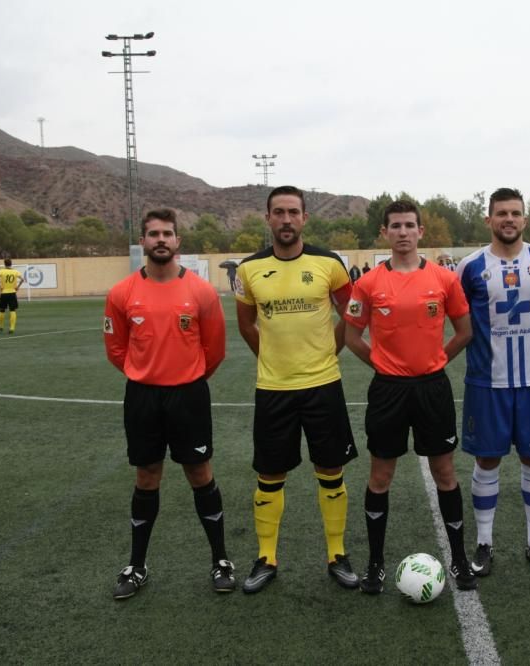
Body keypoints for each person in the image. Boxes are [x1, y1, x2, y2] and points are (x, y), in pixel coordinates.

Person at [344, 199, 477, 594]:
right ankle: (374, 564)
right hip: (388, 391)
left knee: (445, 473)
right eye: (395, 226)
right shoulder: (367, 284)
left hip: (433, 388)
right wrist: (384, 367)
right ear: (383, 233)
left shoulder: (444, 279)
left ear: (421, 231)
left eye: (409, 226)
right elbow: (351, 336)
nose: (403, 232)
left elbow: (465, 331)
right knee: (380, 476)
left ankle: (458, 559)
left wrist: (437, 361)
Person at [234, 185, 359, 594]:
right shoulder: (249, 270)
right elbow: (246, 323)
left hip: (323, 384)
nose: (286, 220)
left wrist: (331, 350)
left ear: (305, 218)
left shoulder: (330, 263)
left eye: (293, 212)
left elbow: (352, 314)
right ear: (267, 218)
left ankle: (336, 554)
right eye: (278, 212)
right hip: (273, 388)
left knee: (331, 470)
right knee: (270, 473)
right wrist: (269, 357)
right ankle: (266, 557)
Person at [103, 208, 233, 600]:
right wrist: (147, 374)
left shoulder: (201, 291)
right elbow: (116, 349)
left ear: (178, 242)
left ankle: (221, 560)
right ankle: (137, 565)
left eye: (168, 234)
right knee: (147, 476)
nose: (161, 239)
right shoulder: (122, 293)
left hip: (189, 394)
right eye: (153, 234)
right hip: (143, 396)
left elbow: (215, 350)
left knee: (200, 473)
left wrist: (187, 378)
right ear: (143, 241)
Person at [456, 187, 530, 577]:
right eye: (501, 213)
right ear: (489, 219)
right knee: (488, 459)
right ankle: (484, 543)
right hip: (487, 381)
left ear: (525, 219)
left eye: (515, 213)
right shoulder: (469, 267)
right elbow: (461, 319)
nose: (509, 220)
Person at [0, 258, 25, 334]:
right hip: (12, 293)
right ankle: (12, 327)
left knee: (2, 309)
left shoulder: (1, 271)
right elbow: (22, 279)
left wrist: (0, 286)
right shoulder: (15, 271)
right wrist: (18, 287)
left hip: (4, 293)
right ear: (11, 263)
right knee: (12, 310)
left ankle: (1, 326)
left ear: (4, 264)